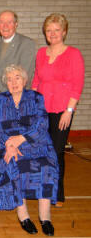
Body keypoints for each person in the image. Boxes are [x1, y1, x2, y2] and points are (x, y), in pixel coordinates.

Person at [0, 65, 59, 236]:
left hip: (35, 142)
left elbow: (42, 124)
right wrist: (9, 144)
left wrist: (20, 139)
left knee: (46, 167)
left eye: (17, 78)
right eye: (9, 79)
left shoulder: (36, 97)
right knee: (14, 165)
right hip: (6, 144)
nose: (13, 82)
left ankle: (45, 217)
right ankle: (23, 215)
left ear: (25, 80)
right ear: (5, 83)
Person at [32, 13, 84, 208]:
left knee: (56, 151)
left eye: (56, 30)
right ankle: (42, 189)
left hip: (63, 110)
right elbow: (37, 81)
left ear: (64, 32)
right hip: (42, 110)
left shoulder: (73, 54)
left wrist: (69, 110)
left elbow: (76, 85)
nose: (52, 34)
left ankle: (58, 193)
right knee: (41, 151)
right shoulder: (40, 54)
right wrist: (34, 107)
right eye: (49, 30)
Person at [0, 10, 36, 98]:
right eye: (2, 22)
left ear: (16, 24)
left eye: (9, 22)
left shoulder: (27, 44)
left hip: (16, 99)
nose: (5, 26)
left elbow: (25, 77)